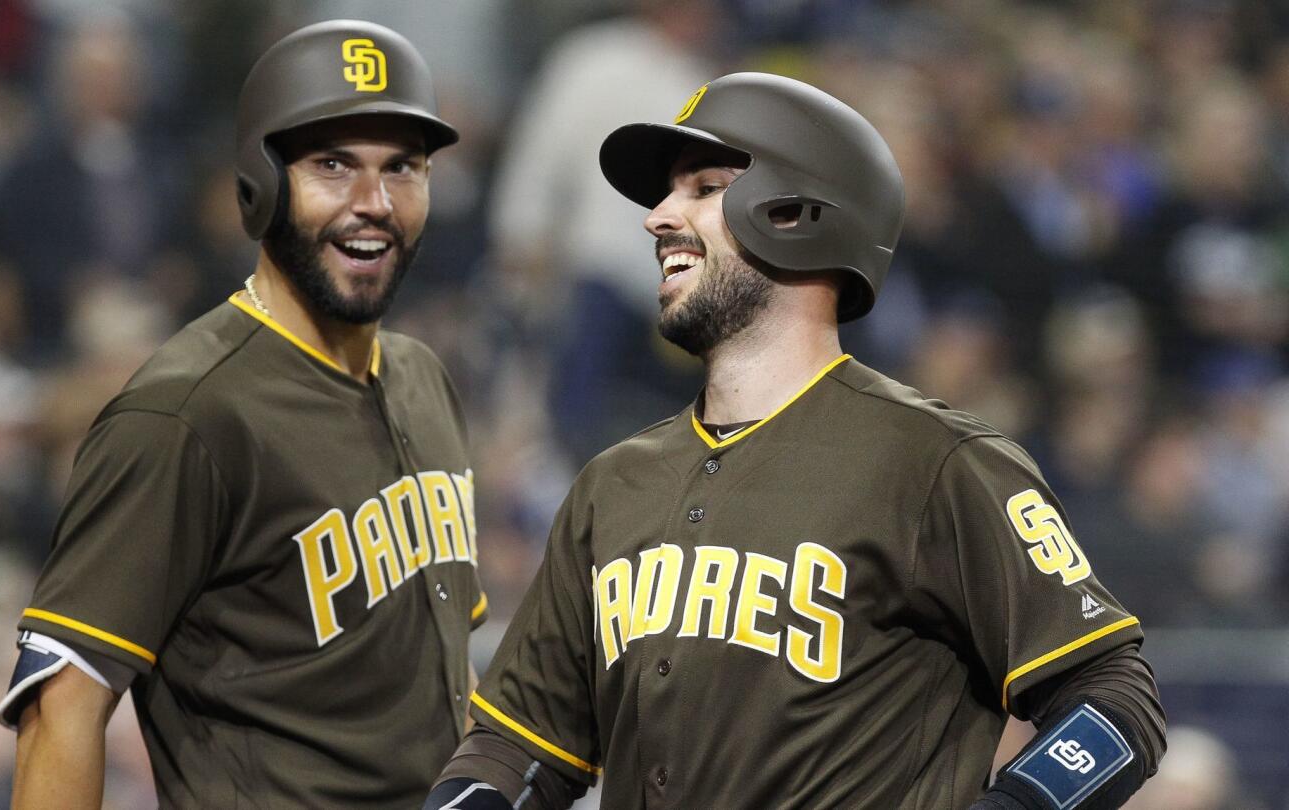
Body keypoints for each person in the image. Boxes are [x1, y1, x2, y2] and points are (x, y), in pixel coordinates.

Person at [424, 73, 1165, 809]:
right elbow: (517, 746)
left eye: (703, 188)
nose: (656, 218)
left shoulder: (935, 461)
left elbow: (1114, 698)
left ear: (799, 212)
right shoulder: (612, 484)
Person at [0, 20, 488, 808]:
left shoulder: (424, 379)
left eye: (403, 168)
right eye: (334, 166)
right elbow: (63, 711)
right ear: (261, 183)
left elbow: (440, 670)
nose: (375, 203)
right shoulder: (184, 413)